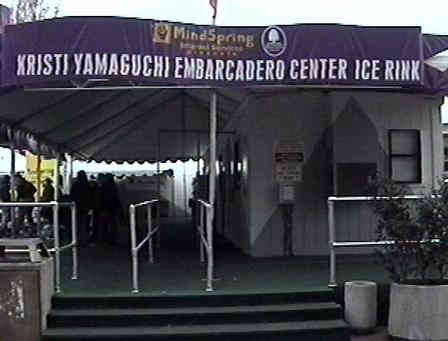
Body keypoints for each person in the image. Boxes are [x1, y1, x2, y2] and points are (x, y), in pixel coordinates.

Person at [70, 170, 92, 246]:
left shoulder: (76, 184)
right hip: (85, 207)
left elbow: (72, 195)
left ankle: (77, 240)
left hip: (77, 207)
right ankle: (84, 241)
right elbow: (90, 196)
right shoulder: (87, 185)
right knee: (85, 225)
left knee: (77, 225)